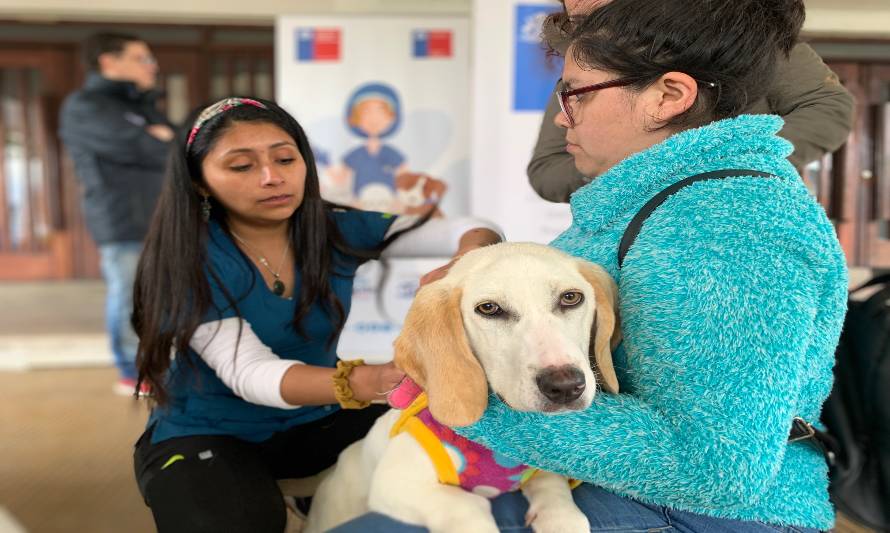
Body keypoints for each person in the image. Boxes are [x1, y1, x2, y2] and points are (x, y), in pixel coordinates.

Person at [334, 0, 847, 531]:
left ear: (668, 96)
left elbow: (714, 470)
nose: (561, 116)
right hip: (606, 486)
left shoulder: (732, 225)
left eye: (574, 93)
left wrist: (459, 393)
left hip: (705, 516)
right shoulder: (655, 203)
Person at [130, 97, 501, 533]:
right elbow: (251, 374)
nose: (273, 177)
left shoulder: (331, 227)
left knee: (459, 459)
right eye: (242, 166)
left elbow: (468, 227)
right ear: (200, 183)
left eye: (285, 159)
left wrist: (469, 257)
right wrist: (367, 380)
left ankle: (324, 502)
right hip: (209, 432)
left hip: (317, 420)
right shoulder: (186, 257)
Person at [528, 0, 855, 203]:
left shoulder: (736, 40)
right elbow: (547, 171)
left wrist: (726, 162)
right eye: (579, 24)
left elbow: (828, 107)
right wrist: (630, 170)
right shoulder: (583, 72)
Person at [58, 32, 174, 394]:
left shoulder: (140, 105)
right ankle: (132, 370)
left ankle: (160, 364)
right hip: (121, 218)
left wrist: (163, 138)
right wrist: (160, 139)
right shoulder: (85, 106)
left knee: (161, 293)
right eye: (142, 58)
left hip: (160, 215)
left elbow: (175, 144)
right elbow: (150, 148)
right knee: (129, 294)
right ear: (109, 62)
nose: (151, 66)